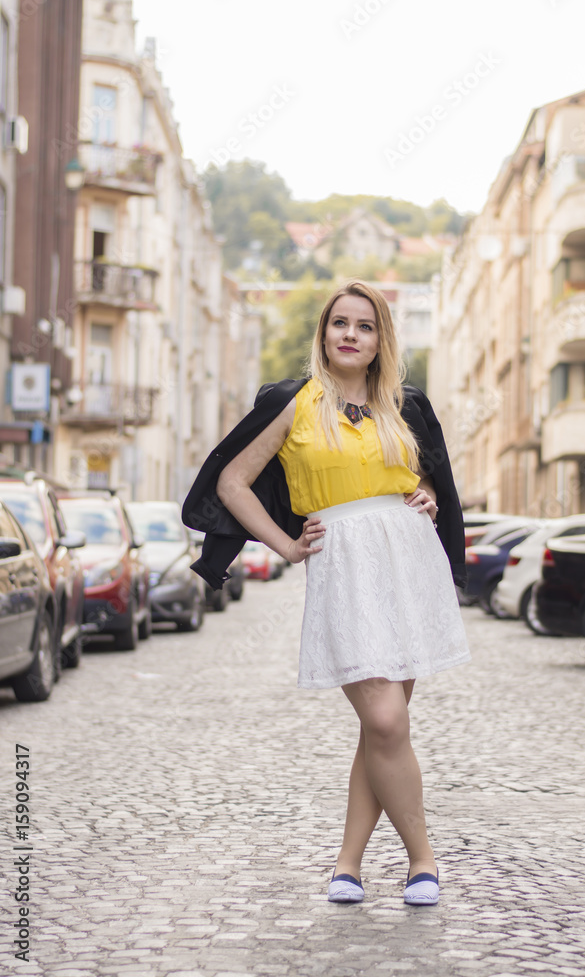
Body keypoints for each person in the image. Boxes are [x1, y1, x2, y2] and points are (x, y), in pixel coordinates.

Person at [210, 280, 470, 906]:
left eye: (365, 326)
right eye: (340, 324)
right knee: (384, 719)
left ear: (382, 339)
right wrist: (286, 544)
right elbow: (232, 483)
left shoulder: (403, 406)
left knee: (384, 730)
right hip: (344, 567)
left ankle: (347, 865)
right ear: (323, 334)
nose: (351, 335)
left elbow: (428, 480)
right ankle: (423, 860)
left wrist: (428, 498)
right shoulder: (293, 403)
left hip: (409, 562)